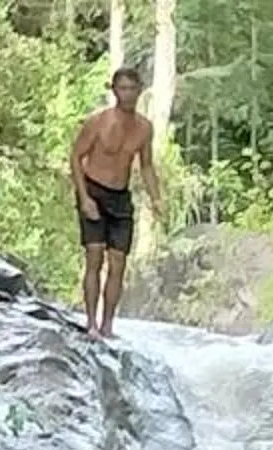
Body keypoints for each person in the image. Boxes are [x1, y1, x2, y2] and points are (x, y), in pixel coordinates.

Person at [70, 68, 163, 342]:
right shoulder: (97, 122)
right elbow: (76, 157)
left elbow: (146, 166)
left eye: (132, 89)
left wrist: (156, 198)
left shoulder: (145, 128)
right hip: (93, 190)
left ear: (139, 90)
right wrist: (84, 197)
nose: (127, 94)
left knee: (118, 262)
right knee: (94, 256)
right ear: (114, 90)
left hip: (120, 197)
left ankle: (108, 325)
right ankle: (91, 324)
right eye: (122, 88)